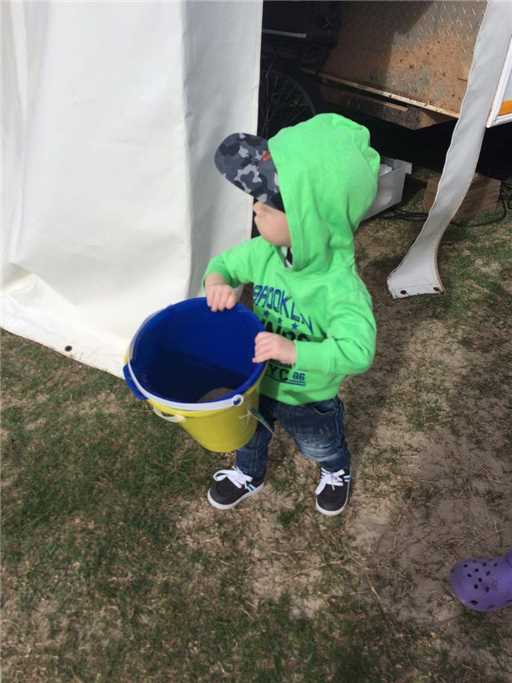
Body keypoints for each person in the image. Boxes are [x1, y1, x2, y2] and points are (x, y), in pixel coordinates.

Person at [204, 113, 380, 516]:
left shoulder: (339, 286)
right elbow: (224, 265)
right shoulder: (265, 253)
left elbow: (358, 351)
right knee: (248, 434)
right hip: (255, 382)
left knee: (319, 444)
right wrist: (217, 283)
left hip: (308, 396)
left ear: (312, 221)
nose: (255, 208)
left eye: (268, 204)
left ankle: (336, 468)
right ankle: (249, 472)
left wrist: (294, 351)